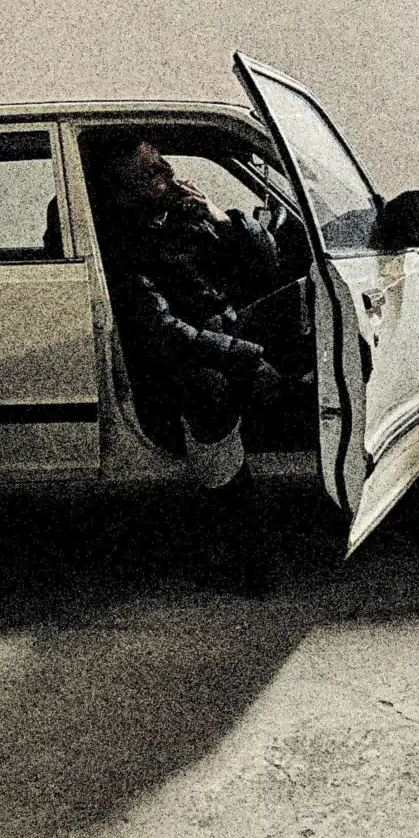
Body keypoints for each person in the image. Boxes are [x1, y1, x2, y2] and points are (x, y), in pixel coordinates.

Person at [87, 131, 295, 588]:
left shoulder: (181, 214)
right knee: (209, 390)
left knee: (309, 295)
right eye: (152, 173)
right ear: (123, 192)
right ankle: (237, 541)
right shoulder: (121, 246)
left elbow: (267, 267)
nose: (169, 173)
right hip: (175, 361)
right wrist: (248, 359)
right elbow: (162, 332)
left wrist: (222, 219)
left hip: (224, 333)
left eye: (163, 163)